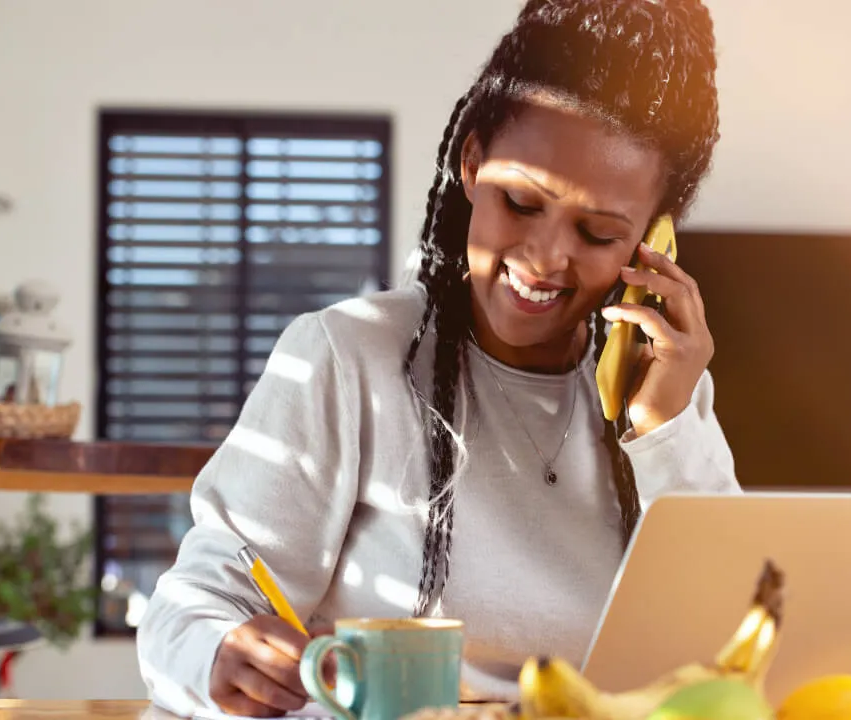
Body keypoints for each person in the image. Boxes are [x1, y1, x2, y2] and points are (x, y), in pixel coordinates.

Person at [136, 0, 741, 715]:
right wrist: (218, 650)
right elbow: (197, 604)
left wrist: (666, 427)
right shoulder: (349, 357)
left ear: (653, 240)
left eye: (598, 232)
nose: (546, 258)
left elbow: (726, 642)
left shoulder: (659, 393)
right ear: (472, 161)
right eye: (520, 202)